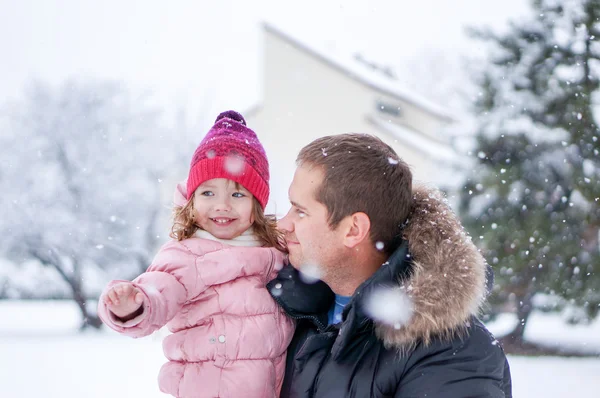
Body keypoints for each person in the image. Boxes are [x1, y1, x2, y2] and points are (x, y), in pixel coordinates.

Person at [268, 133, 512, 397]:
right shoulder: (283, 312)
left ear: (353, 230)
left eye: (300, 211)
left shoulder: (455, 353)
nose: (282, 224)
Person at [98, 110, 294, 398]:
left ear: (257, 206)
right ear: (191, 201)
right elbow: (159, 291)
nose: (222, 205)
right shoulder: (185, 257)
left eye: (238, 195)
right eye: (208, 193)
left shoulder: (274, 253)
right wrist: (132, 304)